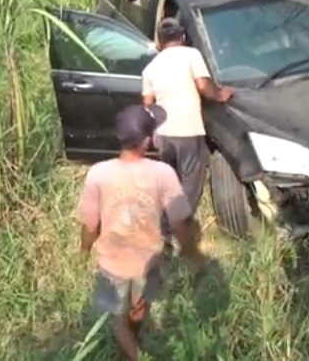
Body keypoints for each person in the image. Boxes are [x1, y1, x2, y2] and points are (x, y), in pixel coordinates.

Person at [76, 104, 208, 361]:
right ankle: (133, 353)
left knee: (121, 319)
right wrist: (193, 254)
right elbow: (180, 223)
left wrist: (83, 251)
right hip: (147, 263)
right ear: (148, 140)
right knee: (135, 313)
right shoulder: (163, 173)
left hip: (112, 264)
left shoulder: (98, 173)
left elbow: (90, 225)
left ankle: (131, 355)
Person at [141, 18, 233, 223]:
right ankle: (175, 229)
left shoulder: (150, 68)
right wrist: (220, 95)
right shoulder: (192, 55)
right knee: (190, 185)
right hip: (188, 131)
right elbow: (203, 86)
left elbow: (147, 103)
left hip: (164, 135)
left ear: (159, 41)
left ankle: (163, 225)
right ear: (182, 37)